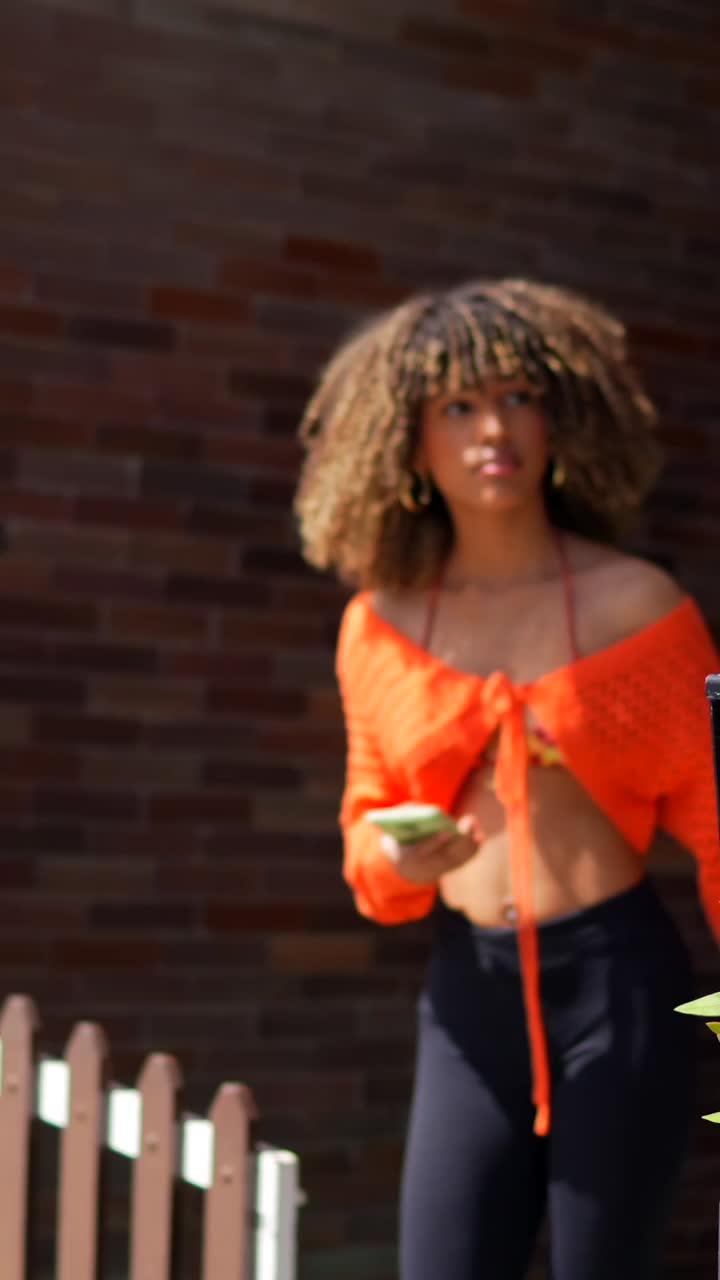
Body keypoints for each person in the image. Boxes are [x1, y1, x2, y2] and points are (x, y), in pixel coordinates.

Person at [294, 278, 720, 1280]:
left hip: (619, 985)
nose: (495, 426)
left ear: (560, 418)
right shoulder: (381, 625)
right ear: (408, 442)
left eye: (520, 396)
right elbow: (365, 831)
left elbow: (715, 814)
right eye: (459, 405)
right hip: (467, 993)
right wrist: (405, 855)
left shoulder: (640, 607)